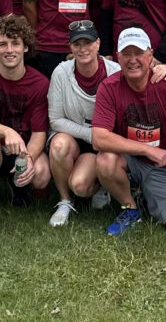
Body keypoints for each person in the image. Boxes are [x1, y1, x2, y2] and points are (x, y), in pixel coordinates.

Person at [92, 28, 166, 236]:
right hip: (133, 159)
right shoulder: (109, 86)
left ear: (150, 55)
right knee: (104, 161)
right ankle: (130, 208)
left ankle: (148, 196)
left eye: (139, 53)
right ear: (118, 57)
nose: (133, 60)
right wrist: (146, 150)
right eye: (127, 53)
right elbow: (98, 138)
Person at [0, 14, 52, 228]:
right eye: (3, 44)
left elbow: (39, 132)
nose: (9, 50)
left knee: (41, 175)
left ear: (25, 47)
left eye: (15, 43)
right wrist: (7, 132)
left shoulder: (40, 83)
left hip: (22, 148)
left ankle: (18, 186)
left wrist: (28, 158)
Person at [46, 21, 120, 227]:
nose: (83, 49)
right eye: (77, 44)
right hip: (77, 138)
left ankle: (104, 185)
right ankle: (64, 201)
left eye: (88, 42)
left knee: (80, 185)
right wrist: (90, 135)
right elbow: (55, 120)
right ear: (70, 47)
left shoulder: (115, 72)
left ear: (98, 44)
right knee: (59, 145)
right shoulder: (61, 72)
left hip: (107, 141)